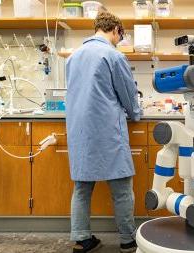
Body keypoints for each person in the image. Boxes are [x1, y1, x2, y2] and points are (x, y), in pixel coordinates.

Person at [65, 11, 142, 253]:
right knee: (121, 187)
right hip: (106, 129)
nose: (120, 39)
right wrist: (136, 113)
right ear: (116, 30)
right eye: (122, 35)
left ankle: (82, 238)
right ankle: (128, 239)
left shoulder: (72, 57)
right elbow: (128, 94)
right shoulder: (113, 55)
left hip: (79, 131)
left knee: (82, 188)